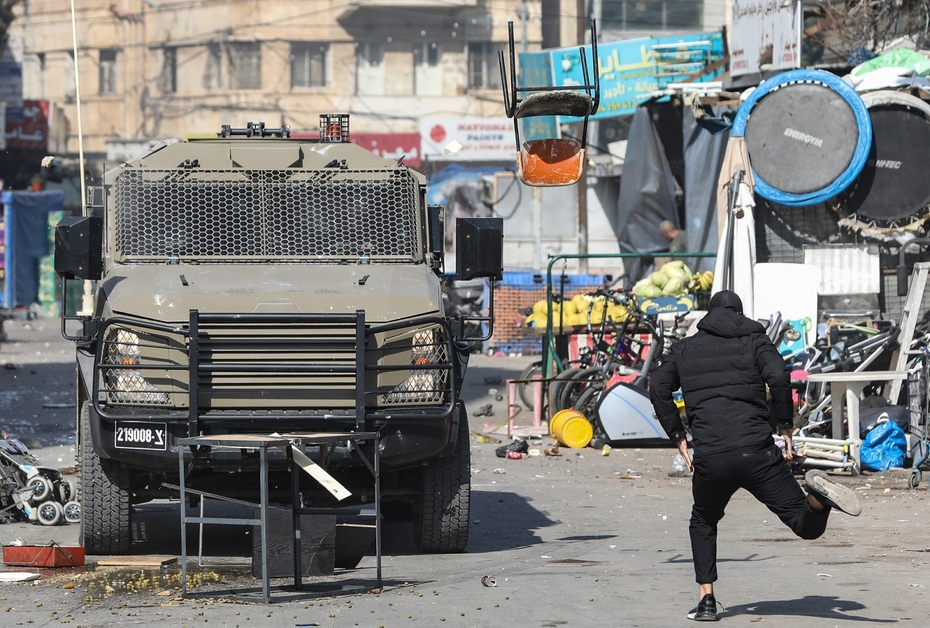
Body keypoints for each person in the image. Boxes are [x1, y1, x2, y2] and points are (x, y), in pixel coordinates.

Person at [649, 290, 861, 622]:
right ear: (740, 313)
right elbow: (778, 376)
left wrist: (678, 436)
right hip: (758, 453)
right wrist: (785, 426)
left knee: (703, 521)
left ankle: (706, 601)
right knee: (805, 526)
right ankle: (819, 499)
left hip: (712, 456)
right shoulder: (755, 340)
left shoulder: (685, 348)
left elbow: (658, 385)